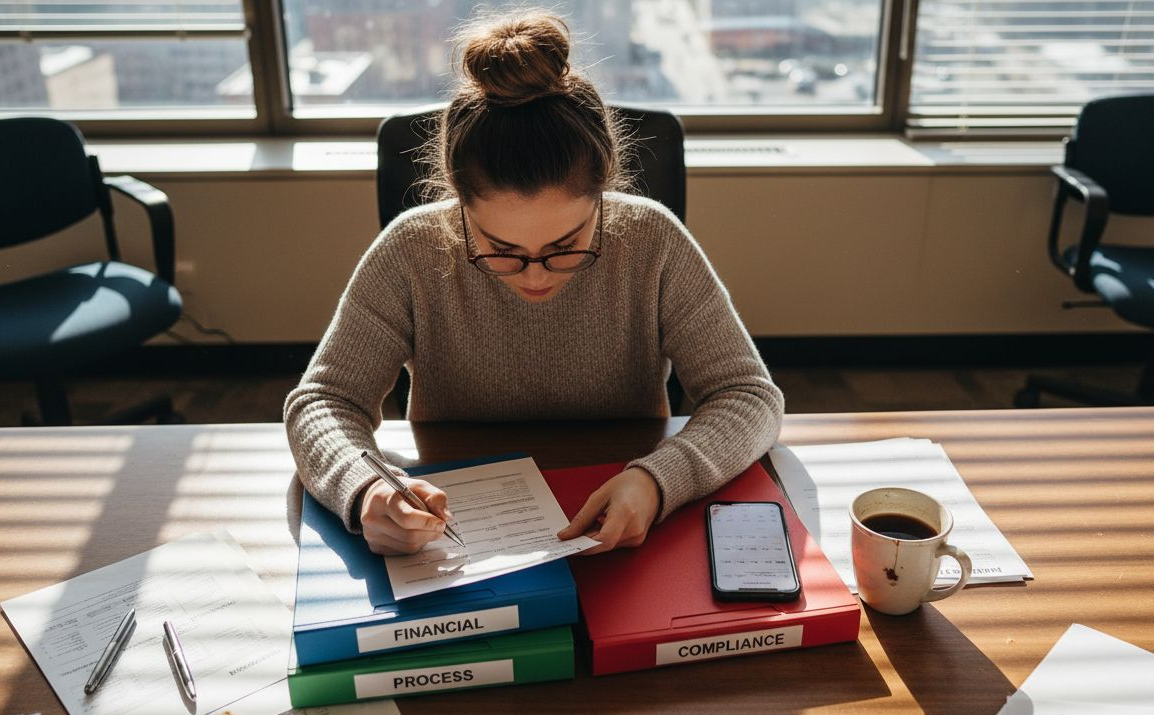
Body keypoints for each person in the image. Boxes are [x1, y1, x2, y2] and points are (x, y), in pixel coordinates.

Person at [284, 9, 783, 557]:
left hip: (625, 526)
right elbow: (323, 402)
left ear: (603, 193)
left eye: (567, 245)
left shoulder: (651, 240)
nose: (537, 275)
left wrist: (658, 480)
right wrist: (368, 489)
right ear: (459, 203)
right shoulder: (414, 249)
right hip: (458, 529)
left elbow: (749, 395)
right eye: (500, 250)